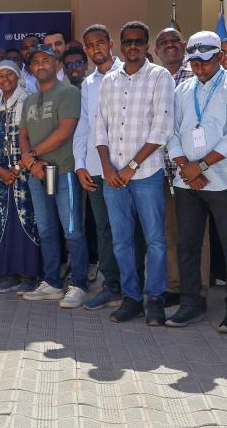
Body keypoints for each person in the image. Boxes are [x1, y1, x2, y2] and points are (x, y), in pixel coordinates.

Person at [165, 32, 227, 333]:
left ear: (221, 57)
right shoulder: (182, 89)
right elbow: (171, 133)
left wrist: (199, 166)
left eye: (206, 61)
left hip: (224, 180)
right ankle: (191, 303)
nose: (200, 68)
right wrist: (186, 168)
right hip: (187, 182)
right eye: (195, 63)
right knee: (187, 244)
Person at [96, 22, 175, 325]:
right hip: (113, 175)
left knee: (155, 240)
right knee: (121, 241)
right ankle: (131, 298)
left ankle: (154, 298)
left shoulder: (160, 77)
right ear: (120, 45)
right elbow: (100, 127)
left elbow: (161, 129)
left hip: (146, 174)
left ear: (146, 45)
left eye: (138, 42)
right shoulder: (109, 81)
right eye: (127, 42)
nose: (132, 47)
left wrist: (131, 167)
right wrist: (106, 167)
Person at [17, 44, 87, 309]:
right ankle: (52, 283)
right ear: (31, 68)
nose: (41, 65)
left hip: (64, 171)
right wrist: (31, 162)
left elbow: (65, 131)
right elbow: (23, 134)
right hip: (37, 173)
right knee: (46, 229)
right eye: (35, 62)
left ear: (57, 64)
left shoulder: (68, 92)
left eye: (46, 60)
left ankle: (78, 284)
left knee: (72, 231)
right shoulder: (29, 100)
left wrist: (31, 155)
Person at [73, 23, 127, 311]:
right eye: (90, 45)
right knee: (104, 229)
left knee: (128, 230)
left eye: (100, 43)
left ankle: (133, 286)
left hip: (125, 169)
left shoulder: (128, 74)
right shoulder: (88, 83)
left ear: (110, 44)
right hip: (95, 169)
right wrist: (80, 165)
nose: (96, 49)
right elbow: (84, 127)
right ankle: (112, 286)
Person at [0, 61, 41, 294]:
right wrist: (0, 170)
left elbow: (35, 139)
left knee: (26, 222)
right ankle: (10, 274)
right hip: (0, 177)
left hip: (25, 174)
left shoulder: (28, 101)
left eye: (10, 74)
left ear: (19, 77)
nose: (5, 79)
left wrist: (16, 169)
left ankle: (29, 274)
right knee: (4, 222)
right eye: (1, 75)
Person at [155, 26, 196, 306]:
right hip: (161, 168)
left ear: (183, 46)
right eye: (163, 42)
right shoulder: (154, 79)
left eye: (174, 40)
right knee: (169, 232)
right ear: (157, 50)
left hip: (193, 168)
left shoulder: (197, 74)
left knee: (195, 235)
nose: (169, 45)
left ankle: (197, 289)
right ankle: (173, 286)